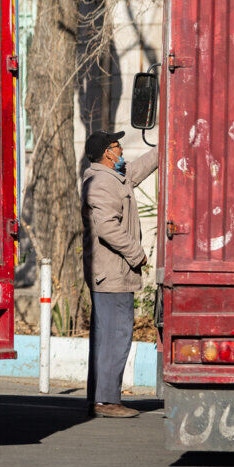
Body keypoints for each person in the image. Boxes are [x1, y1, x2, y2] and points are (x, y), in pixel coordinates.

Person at [80, 130, 159, 418]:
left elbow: (138, 169)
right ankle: (106, 401)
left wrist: (164, 148)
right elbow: (108, 228)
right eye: (117, 146)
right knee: (116, 335)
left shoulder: (114, 177)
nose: (121, 149)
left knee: (109, 336)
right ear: (107, 153)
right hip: (112, 273)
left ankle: (100, 399)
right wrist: (137, 254)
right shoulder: (101, 182)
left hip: (114, 272)